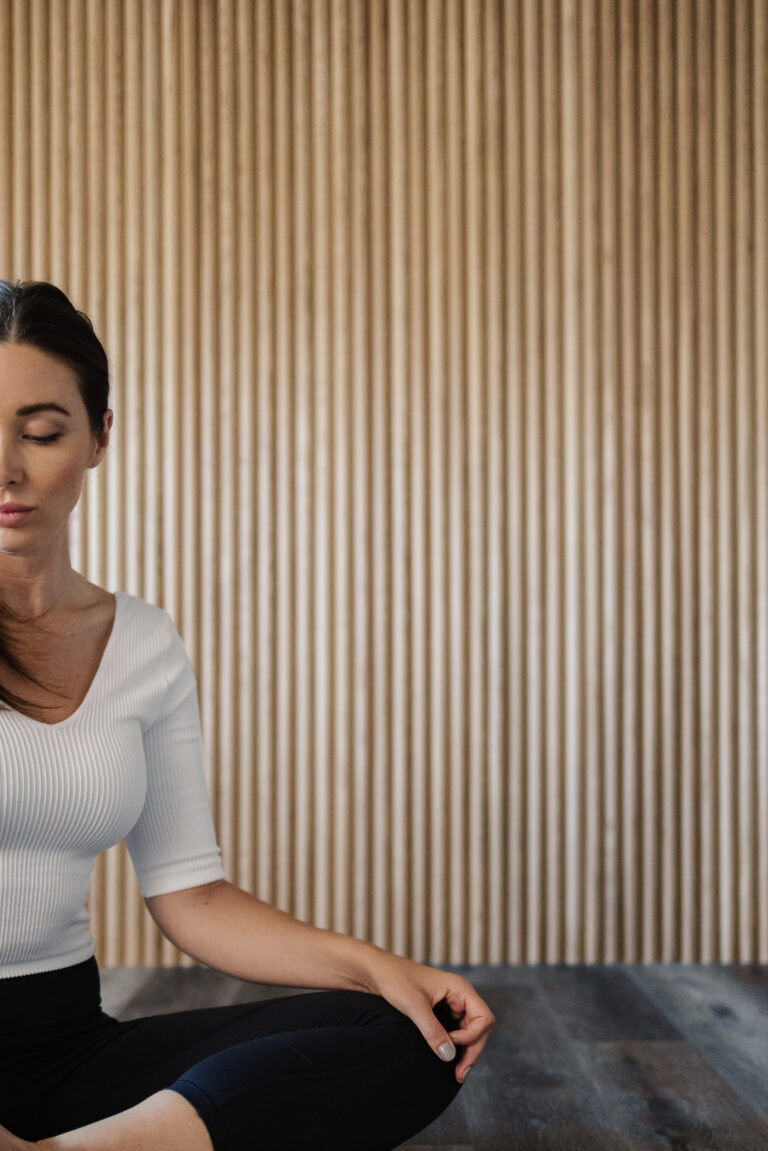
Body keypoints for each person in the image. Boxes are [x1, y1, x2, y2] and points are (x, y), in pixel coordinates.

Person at [0, 280, 494, 1151]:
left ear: (100, 436)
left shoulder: (142, 641)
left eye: (40, 433)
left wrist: (376, 967)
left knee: (413, 1033)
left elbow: (191, 896)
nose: (6, 466)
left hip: (63, 1050)